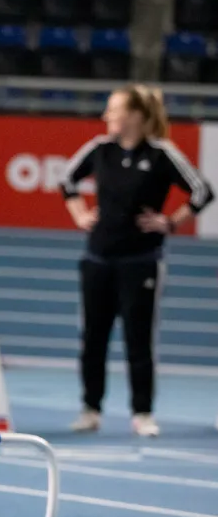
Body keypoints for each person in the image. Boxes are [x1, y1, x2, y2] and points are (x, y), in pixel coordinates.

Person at [60, 84, 213, 437]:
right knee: (93, 338)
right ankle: (90, 408)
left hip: (141, 260)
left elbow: (203, 190)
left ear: (136, 117)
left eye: (113, 110)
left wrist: (171, 222)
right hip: (98, 258)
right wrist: (80, 214)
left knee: (138, 339)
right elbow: (67, 180)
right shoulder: (100, 149)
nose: (106, 116)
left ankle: (142, 413)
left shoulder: (162, 153)